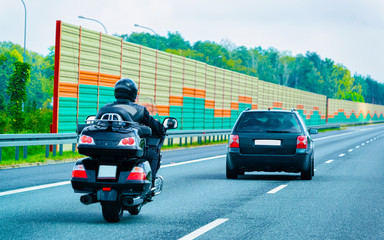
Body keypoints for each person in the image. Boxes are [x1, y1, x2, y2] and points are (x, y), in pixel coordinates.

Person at [96, 78, 166, 184]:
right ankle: (150, 182)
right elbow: (155, 126)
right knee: (153, 154)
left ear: (117, 92)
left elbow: (97, 125)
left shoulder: (105, 108)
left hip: (105, 148)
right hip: (128, 148)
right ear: (133, 93)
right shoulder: (139, 110)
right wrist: (162, 129)